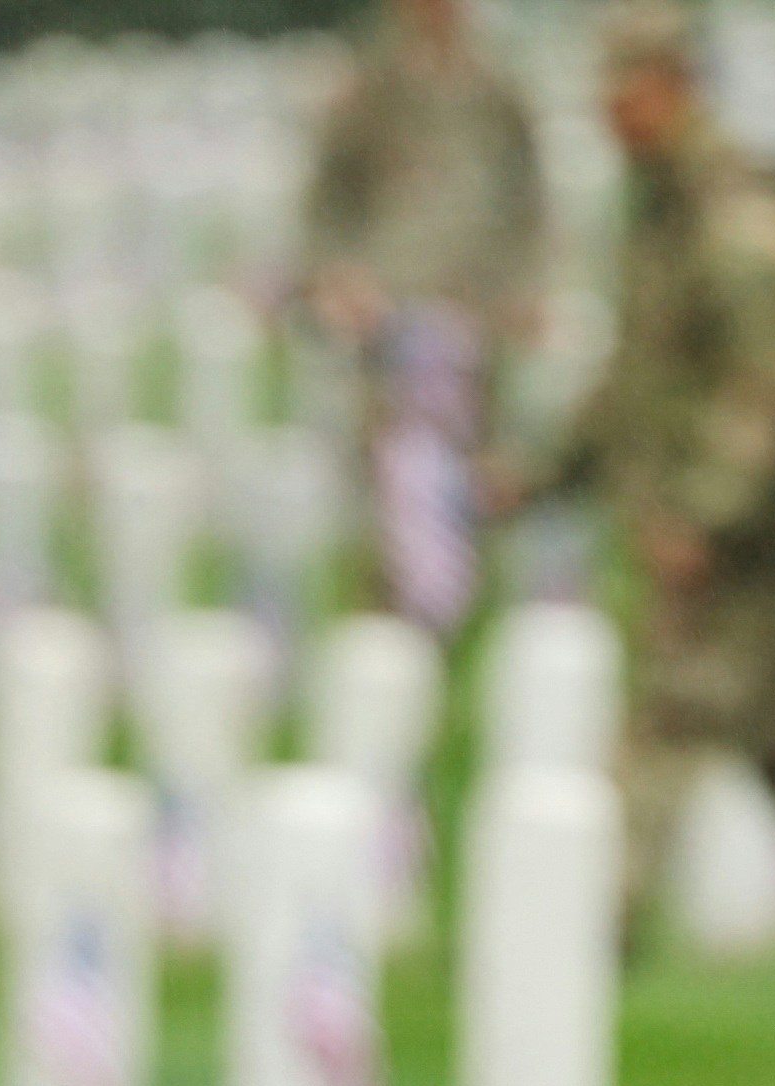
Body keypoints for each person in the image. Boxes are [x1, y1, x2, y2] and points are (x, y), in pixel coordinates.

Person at [492, 6, 775, 941]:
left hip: (737, 533)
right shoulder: (663, 212)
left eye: (620, 86)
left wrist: (703, 516)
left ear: (670, 86)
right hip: (700, 522)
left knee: (667, 726)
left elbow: (769, 389)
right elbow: (636, 381)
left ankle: (588, 933)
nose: (605, 108)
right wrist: (543, 476)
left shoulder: (736, 223)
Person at [297, 0, 551, 628]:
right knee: (393, 476)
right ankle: (393, 619)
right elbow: (328, 202)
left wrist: (525, 288)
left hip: (475, 312)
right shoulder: (368, 90)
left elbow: (528, 202)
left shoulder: (497, 92)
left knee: (473, 471)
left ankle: (465, 621)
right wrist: (338, 276)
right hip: (391, 311)